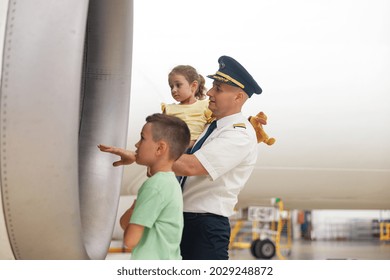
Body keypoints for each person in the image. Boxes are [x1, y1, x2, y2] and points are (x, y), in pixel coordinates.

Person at [99, 55, 263, 260]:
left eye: (218, 89)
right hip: (186, 220)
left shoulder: (238, 134)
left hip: (204, 227)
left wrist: (138, 156)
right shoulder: (213, 127)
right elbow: (176, 153)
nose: (210, 92)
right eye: (213, 86)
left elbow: (191, 166)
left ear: (238, 97)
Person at [99, 113, 190, 259]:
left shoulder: (155, 186)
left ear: (160, 148)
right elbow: (124, 223)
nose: (136, 144)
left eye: (142, 138)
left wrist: (137, 210)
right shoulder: (169, 183)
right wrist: (137, 208)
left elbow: (130, 240)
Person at [162, 65, 213, 148]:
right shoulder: (168, 109)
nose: (173, 90)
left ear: (193, 85)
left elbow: (213, 128)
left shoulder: (205, 106)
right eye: (171, 87)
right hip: (173, 149)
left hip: (197, 149)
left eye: (178, 85)